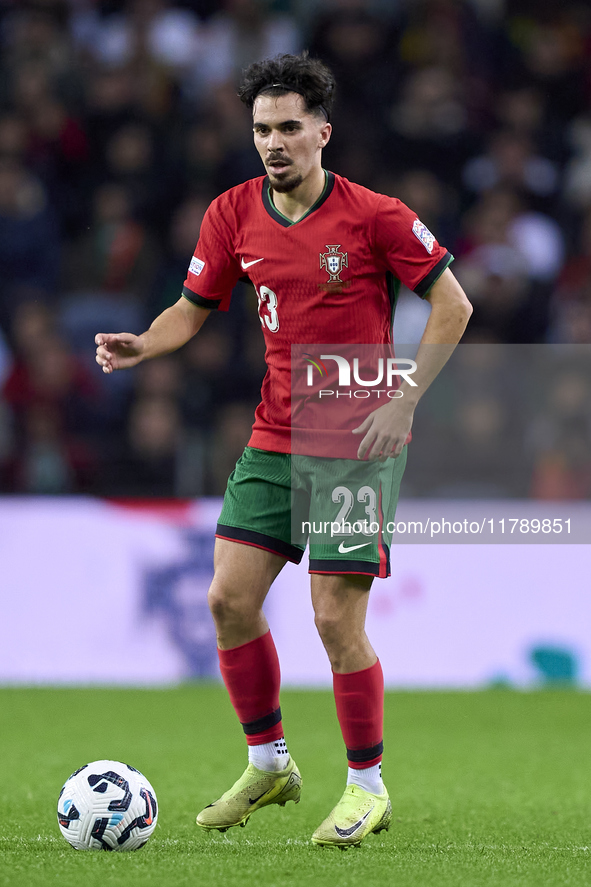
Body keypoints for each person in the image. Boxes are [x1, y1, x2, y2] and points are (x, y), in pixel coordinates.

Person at [95, 53, 472, 848]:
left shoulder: (376, 216)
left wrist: (405, 398)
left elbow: (452, 303)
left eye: (289, 127)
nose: (273, 141)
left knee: (334, 619)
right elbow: (189, 309)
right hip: (275, 435)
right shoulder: (231, 213)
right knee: (227, 601)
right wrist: (144, 346)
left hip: (357, 443)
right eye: (262, 128)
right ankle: (268, 763)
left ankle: (366, 786)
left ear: (322, 133)